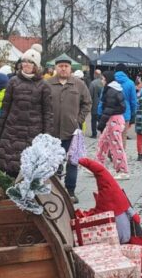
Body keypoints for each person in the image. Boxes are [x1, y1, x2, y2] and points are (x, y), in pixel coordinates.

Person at [0, 45, 52, 177]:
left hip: (33, 131)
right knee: (8, 166)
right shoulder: (13, 82)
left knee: (28, 168)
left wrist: (46, 134)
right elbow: (5, 106)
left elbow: (47, 112)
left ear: (36, 65)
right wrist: (0, 127)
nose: (26, 64)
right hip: (12, 130)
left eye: (30, 62)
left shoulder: (44, 85)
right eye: (24, 61)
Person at [47, 57, 92, 201]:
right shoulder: (47, 84)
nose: (63, 68)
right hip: (52, 132)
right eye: (60, 66)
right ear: (56, 68)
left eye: (66, 66)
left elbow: (87, 103)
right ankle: (55, 191)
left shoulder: (78, 84)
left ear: (70, 68)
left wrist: (79, 120)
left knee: (72, 162)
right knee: (53, 163)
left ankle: (70, 191)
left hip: (71, 131)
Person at [96, 70, 128, 179]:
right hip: (115, 119)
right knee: (103, 142)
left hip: (114, 120)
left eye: (103, 78)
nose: (102, 81)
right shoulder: (115, 89)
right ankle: (98, 166)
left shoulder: (111, 91)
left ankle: (123, 171)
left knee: (116, 146)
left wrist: (101, 123)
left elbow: (108, 109)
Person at [114, 63, 137, 137]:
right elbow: (133, 102)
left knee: (112, 138)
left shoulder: (111, 81)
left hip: (112, 114)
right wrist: (133, 115)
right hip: (125, 114)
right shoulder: (130, 83)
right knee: (123, 137)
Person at [88, 69, 104, 138]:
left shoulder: (93, 83)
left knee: (93, 120)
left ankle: (94, 134)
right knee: (101, 120)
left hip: (94, 105)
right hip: (102, 105)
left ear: (95, 74)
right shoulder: (103, 83)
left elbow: (90, 96)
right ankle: (103, 133)